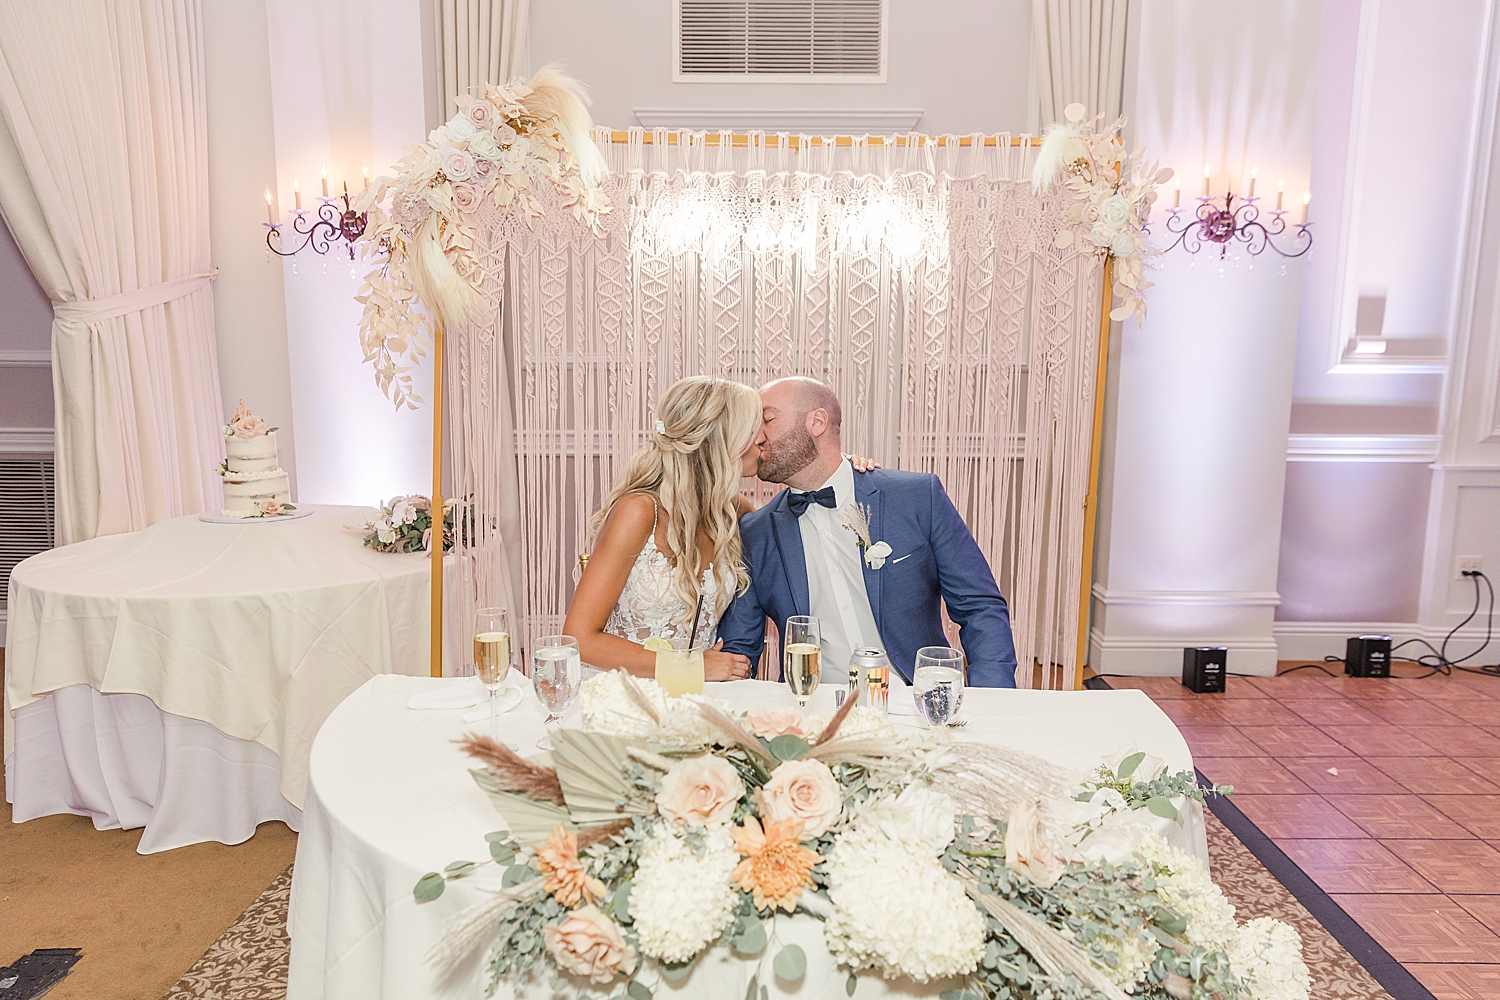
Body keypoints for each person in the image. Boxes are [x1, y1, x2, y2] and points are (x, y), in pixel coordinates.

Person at [717, 376, 1019, 688]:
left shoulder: (916, 497)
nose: (755, 437)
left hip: (917, 703)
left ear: (817, 422)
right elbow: (739, 649)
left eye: (766, 419)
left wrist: (992, 701)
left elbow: (979, 607)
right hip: (813, 710)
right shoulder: (755, 532)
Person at [565, 376, 760, 680]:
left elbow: (788, 531)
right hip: (623, 690)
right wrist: (688, 667)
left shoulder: (733, 512)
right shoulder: (640, 511)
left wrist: (851, 474)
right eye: (751, 429)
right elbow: (581, 638)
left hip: (697, 696)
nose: (761, 438)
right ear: (718, 441)